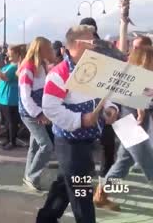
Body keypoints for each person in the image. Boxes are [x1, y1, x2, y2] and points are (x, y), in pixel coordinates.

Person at [36, 25, 119, 223]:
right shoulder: (59, 74)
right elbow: (50, 108)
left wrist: (111, 108)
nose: (96, 45)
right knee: (81, 193)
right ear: (80, 44)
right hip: (70, 143)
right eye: (93, 42)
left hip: (87, 139)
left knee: (67, 184)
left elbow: (105, 94)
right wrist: (80, 119)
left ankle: (45, 219)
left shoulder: (92, 68)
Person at [94, 45, 153, 211]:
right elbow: (140, 106)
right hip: (132, 127)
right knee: (149, 164)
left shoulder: (133, 75)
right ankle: (101, 194)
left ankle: (101, 194)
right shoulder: (136, 76)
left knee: (123, 163)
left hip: (130, 126)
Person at [18, 37, 55, 191]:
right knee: (46, 146)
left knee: (35, 146)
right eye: (49, 48)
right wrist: (39, 114)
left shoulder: (41, 66)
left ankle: (29, 176)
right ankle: (33, 176)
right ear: (41, 50)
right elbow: (25, 96)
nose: (51, 51)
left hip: (37, 112)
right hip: (30, 113)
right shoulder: (28, 68)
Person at [0, 44, 26, 150]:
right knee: (8, 122)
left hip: (11, 99)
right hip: (4, 98)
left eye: (10, 52)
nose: (7, 54)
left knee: (12, 122)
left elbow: (4, 77)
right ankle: (9, 139)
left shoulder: (15, 67)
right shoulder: (9, 66)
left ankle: (12, 141)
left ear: (17, 54)